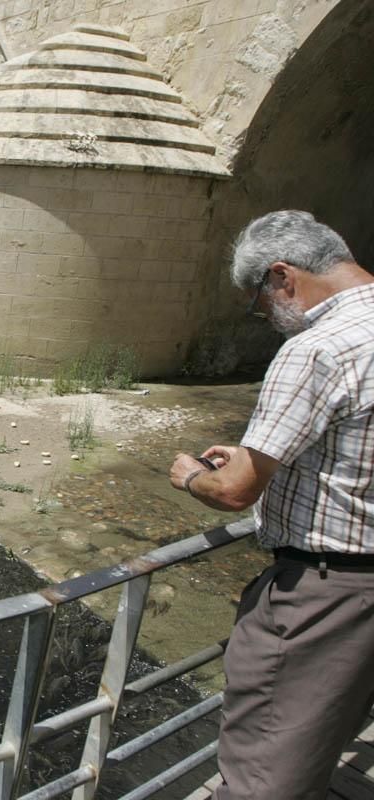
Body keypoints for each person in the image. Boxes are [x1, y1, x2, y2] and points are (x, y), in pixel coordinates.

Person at [168, 210, 374, 799]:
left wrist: (189, 478)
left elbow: (234, 490)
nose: (265, 317)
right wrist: (263, 450)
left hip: (326, 595)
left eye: (259, 302)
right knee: (328, 729)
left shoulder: (318, 348)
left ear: (282, 276)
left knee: (266, 771)